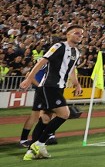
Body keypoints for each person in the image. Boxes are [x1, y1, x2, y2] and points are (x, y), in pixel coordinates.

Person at [20, 25, 85, 160]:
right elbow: (42, 62)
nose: (80, 36)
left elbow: (72, 70)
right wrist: (29, 78)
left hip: (58, 87)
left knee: (45, 119)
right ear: (68, 34)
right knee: (65, 113)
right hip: (49, 86)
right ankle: (40, 144)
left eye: (81, 34)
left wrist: (77, 84)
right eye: (77, 33)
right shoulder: (59, 46)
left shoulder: (76, 52)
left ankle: (30, 152)